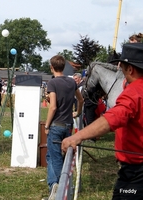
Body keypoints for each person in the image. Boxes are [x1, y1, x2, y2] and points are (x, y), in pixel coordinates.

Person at [62, 43, 143, 199]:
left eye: (123, 68)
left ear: (130, 69)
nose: (122, 72)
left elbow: (113, 118)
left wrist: (77, 136)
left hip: (136, 172)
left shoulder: (133, 92)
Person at [44, 55, 83, 200]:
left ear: (52, 67)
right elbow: (81, 99)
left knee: (55, 158)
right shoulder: (72, 82)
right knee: (56, 156)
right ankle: (53, 184)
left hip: (56, 125)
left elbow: (53, 107)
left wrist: (47, 125)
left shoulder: (52, 83)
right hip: (68, 125)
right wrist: (78, 112)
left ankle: (60, 189)